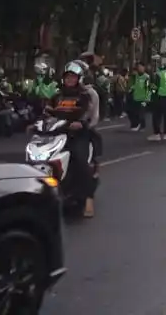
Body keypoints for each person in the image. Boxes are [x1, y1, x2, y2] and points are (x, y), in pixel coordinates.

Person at [49, 60, 96, 217]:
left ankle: (88, 199)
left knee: (80, 162)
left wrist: (80, 123)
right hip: (56, 134)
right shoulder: (57, 96)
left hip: (77, 135)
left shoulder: (84, 97)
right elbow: (48, 112)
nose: (70, 80)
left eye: (73, 77)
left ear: (79, 79)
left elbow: (87, 114)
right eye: (67, 77)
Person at [129, 63, 151, 131]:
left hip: (143, 98)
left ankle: (142, 126)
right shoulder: (136, 76)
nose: (139, 68)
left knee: (142, 113)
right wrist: (131, 88)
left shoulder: (146, 77)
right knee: (136, 112)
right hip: (136, 97)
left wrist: (147, 99)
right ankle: (137, 125)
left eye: (141, 67)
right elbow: (135, 85)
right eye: (138, 67)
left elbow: (148, 88)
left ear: (144, 68)